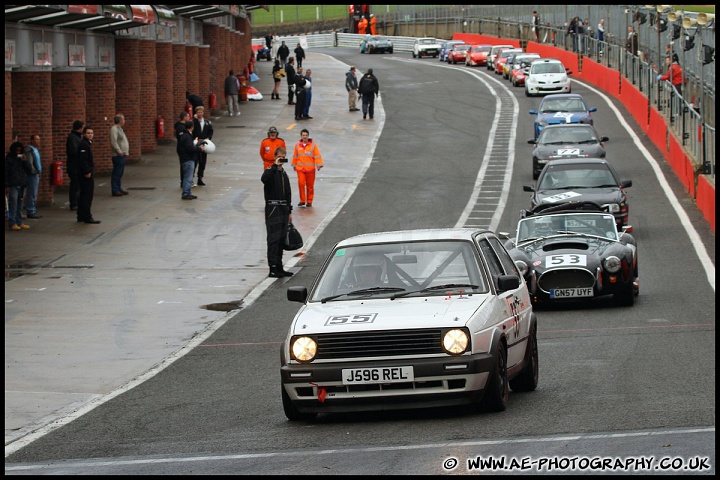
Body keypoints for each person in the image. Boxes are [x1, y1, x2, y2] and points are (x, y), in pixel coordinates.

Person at [261, 146, 294, 278]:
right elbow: (264, 179)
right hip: (273, 208)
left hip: (283, 209)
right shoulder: (271, 170)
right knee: (273, 238)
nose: (282, 158)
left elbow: (288, 193)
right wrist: (274, 166)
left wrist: (289, 210)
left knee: (281, 239)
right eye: (280, 156)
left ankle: (279, 266)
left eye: (284, 155)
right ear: (275, 157)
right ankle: (273, 267)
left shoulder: (283, 173)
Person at [292, 128, 324, 207]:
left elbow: (317, 155)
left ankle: (309, 201)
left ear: (308, 136)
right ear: (301, 136)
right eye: (303, 135)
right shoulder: (297, 145)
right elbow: (295, 156)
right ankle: (302, 200)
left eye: (306, 135)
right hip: (300, 169)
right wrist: (294, 165)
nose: (305, 137)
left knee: (310, 186)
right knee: (301, 183)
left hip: (310, 170)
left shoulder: (313, 145)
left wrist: (319, 165)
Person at [76, 126, 100, 224]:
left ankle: (81, 215)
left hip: (86, 173)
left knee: (83, 195)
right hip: (86, 174)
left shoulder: (86, 144)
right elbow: (82, 160)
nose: (90, 135)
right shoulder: (84, 145)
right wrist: (87, 171)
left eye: (91, 133)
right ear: (84, 134)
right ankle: (87, 216)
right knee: (87, 195)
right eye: (88, 133)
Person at [5, 141, 31, 230]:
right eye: (16, 151)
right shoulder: (9, 159)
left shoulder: (21, 159)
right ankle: (12, 223)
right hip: (13, 184)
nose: (18, 152)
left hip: (22, 184)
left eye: (20, 151)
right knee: (13, 204)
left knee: (19, 205)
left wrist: (25, 161)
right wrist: (7, 185)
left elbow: (29, 169)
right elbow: (6, 173)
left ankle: (19, 222)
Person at [177, 120, 204, 200]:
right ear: (192, 127)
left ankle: (188, 192)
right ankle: (186, 193)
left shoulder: (184, 135)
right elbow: (190, 148)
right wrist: (199, 149)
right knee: (188, 177)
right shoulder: (187, 136)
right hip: (188, 159)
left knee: (187, 177)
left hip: (185, 158)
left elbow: (179, 148)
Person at [192, 105, 213, 186]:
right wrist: (195, 119)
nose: (200, 113)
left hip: (204, 143)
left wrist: (208, 138)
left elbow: (211, 131)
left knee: (202, 162)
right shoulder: (194, 122)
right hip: (196, 143)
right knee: (195, 161)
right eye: (198, 112)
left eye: (201, 112)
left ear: (203, 113)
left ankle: (200, 177)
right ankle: (192, 178)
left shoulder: (207, 122)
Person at [109, 113, 129, 197]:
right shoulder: (114, 129)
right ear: (120, 120)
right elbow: (114, 141)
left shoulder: (120, 129)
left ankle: (119, 188)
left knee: (120, 172)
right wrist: (119, 151)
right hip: (118, 155)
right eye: (123, 119)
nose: (124, 121)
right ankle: (115, 189)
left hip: (122, 154)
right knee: (117, 172)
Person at [65, 120, 84, 211]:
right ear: (80, 128)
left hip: (74, 165)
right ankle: (74, 203)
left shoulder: (74, 137)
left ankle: (76, 202)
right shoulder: (73, 138)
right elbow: (73, 152)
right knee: (75, 185)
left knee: (76, 185)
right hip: (74, 166)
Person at [24, 134, 43, 219]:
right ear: (31, 140)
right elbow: (29, 162)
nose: (38, 141)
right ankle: (31, 210)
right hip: (33, 174)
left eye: (39, 139)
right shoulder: (29, 149)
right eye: (36, 139)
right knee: (32, 192)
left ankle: (32, 209)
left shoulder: (36, 150)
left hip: (36, 173)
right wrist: (34, 171)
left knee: (34, 193)